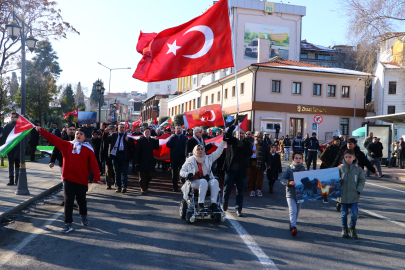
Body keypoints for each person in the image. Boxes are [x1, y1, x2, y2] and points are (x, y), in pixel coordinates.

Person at [37, 125, 102, 233]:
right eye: (77, 134)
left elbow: (94, 164)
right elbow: (53, 138)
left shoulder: (88, 149)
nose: (78, 135)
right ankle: (68, 223)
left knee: (81, 201)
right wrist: (41, 131)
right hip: (68, 178)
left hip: (81, 180)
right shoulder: (66, 145)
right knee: (68, 201)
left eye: (81, 134)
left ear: (84, 137)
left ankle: (83, 215)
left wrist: (97, 177)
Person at [180, 141, 226, 212]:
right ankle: (200, 205)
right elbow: (181, 172)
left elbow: (218, 152)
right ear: (195, 151)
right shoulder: (190, 160)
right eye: (198, 149)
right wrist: (187, 174)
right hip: (193, 182)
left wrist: (223, 142)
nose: (200, 150)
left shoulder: (208, 158)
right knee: (203, 181)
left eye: (201, 149)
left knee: (214, 181)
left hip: (206, 180)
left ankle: (213, 204)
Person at [332, 138, 377, 210]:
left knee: (354, 191)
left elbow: (366, 162)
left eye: (351, 144)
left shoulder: (359, 153)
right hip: (344, 173)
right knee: (343, 189)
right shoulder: (342, 151)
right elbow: (337, 160)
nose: (349, 145)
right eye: (348, 144)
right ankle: (340, 202)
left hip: (355, 175)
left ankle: (353, 207)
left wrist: (374, 171)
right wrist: (332, 169)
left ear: (354, 145)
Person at [222, 126, 252, 217]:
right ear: (235, 134)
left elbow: (249, 153)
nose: (242, 135)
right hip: (230, 170)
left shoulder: (247, 143)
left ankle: (238, 209)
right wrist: (233, 125)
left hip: (241, 171)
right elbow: (226, 136)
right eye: (240, 133)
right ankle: (225, 203)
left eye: (243, 133)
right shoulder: (231, 141)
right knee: (227, 189)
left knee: (240, 191)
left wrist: (241, 145)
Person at [338, 149, 366, 240]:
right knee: (344, 213)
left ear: (354, 157)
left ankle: (352, 227)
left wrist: (358, 190)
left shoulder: (358, 169)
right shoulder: (340, 168)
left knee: (354, 213)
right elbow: (334, 180)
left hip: (354, 195)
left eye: (350, 157)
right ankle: (344, 228)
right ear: (344, 157)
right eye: (346, 157)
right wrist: (337, 182)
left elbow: (362, 180)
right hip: (342, 195)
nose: (348, 159)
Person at [280, 151, 306, 236]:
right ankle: (293, 227)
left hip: (300, 194)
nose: (298, 160)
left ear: (302, 160)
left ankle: (292, 223)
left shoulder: (304, 170)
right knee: (293, 210)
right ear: (293, 159)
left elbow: (308, 182)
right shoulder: (289, 169)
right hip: (290, 193)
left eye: (300, 158)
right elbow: (282, 179)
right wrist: (289, 182)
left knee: (297, 211)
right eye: (296, 158)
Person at [107, 123, 135, 193]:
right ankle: (118, 187)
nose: (122, 129)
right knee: (117, 172)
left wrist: (128, 141)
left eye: (123, 127)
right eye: (121, 127)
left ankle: (124, 186)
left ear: (125, 129)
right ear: (118, 129)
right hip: (116, 156)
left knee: (124, 173)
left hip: (124, 156)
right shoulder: (114, 135)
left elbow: (132, 146)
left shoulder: (128, 136)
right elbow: (106, 140)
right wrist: (105, 133)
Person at [134, 128, 159, 195]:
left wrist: (157, 140)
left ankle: (146, 185)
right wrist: (136, 161)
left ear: (150, 133)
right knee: (142, 176)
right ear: (143, 132)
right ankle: (143, 189)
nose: (147, 133)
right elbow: (137, 152)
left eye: (148, 131)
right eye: (146, 132)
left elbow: (157, 148)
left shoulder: (152, 140)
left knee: (149, 175)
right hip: (141, 161)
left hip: (150, 161)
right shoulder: (140, 140)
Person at [167, 125, 189, 192]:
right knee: (174, 173)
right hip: (174, 158)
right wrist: (171, 138)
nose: (178, 130)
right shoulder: (172, 137)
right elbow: (168, 145)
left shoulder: (185, 137)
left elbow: (187, 147)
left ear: (181, 129)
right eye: (177, 128)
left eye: (179, 128)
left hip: (182, 158)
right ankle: (175, 187)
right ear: (175, 130)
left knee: (182, 173)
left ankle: (183, 187)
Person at [248, 132, 268, 197]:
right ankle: (252, 190)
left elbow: (267, 155)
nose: (257, 138)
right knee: (251, 179)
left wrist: (268, 164)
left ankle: (259, 190)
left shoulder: (264, 145)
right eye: (256, 136)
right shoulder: (250, 144)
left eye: (258, 137)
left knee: (260, 179)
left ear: (261, 138)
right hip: (251, 164)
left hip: (260, 164)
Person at [4, 113, 20, 186]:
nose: (12, 118)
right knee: (10, 163)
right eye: (11, 117)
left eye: (14, 117)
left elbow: (24, 137)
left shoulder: (20, 126)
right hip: (9, 147)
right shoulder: (7, 126)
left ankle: (17, 179)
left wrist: (24, 147)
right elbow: (3, 136)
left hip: (18, 147)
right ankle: (11, 179)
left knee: (17, 162)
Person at [100, 125, 115, 190]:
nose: (112, 130)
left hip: (115, 157)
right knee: (108, 171)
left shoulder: (117, 136)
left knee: (115, 171)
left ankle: (116, 183)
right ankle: (108, 185)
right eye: (111, 129)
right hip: (108, 157)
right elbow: (102, 148)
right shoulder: (106, 137)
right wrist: (101, 158)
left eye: (114, 129)